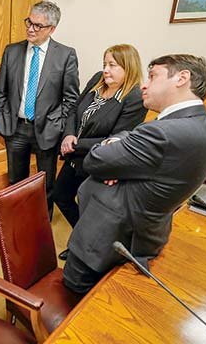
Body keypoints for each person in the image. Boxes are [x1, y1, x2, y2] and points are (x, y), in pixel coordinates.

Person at [62, 54, 206, 294]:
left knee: (78, 301)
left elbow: (95, 160)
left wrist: (113, 156)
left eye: (153, 76)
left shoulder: (164, 132)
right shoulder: (202, 122)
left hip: (107, 240)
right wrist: (118, 148)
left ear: (182, 78)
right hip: (141, 233)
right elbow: (131, 140)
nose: (145, 84)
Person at [53, 44, 148, 258]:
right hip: (74, 156)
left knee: (90, 209)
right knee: (61, 196)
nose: (105, 70)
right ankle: (82, 237)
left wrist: (75, 144)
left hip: (99, 161)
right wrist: (69, 134)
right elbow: (74, 111)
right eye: (105, 64)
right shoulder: (98, 79)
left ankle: (82, 248)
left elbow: (115, 141)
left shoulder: (134, 99)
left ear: (128, 68)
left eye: (112, 65)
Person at [0, 1, 79, 218]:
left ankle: (41, 222)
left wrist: (57, 123)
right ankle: (18, 220)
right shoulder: (12, 51)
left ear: (52, 29)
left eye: (37, 25)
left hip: (47, 130)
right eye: (29, 22)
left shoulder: (65, 55)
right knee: (16, 181)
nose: (30, 29)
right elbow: (1, 91)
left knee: (45, 183)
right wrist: (4, 116)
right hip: (16, 129)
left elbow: (70, 98)